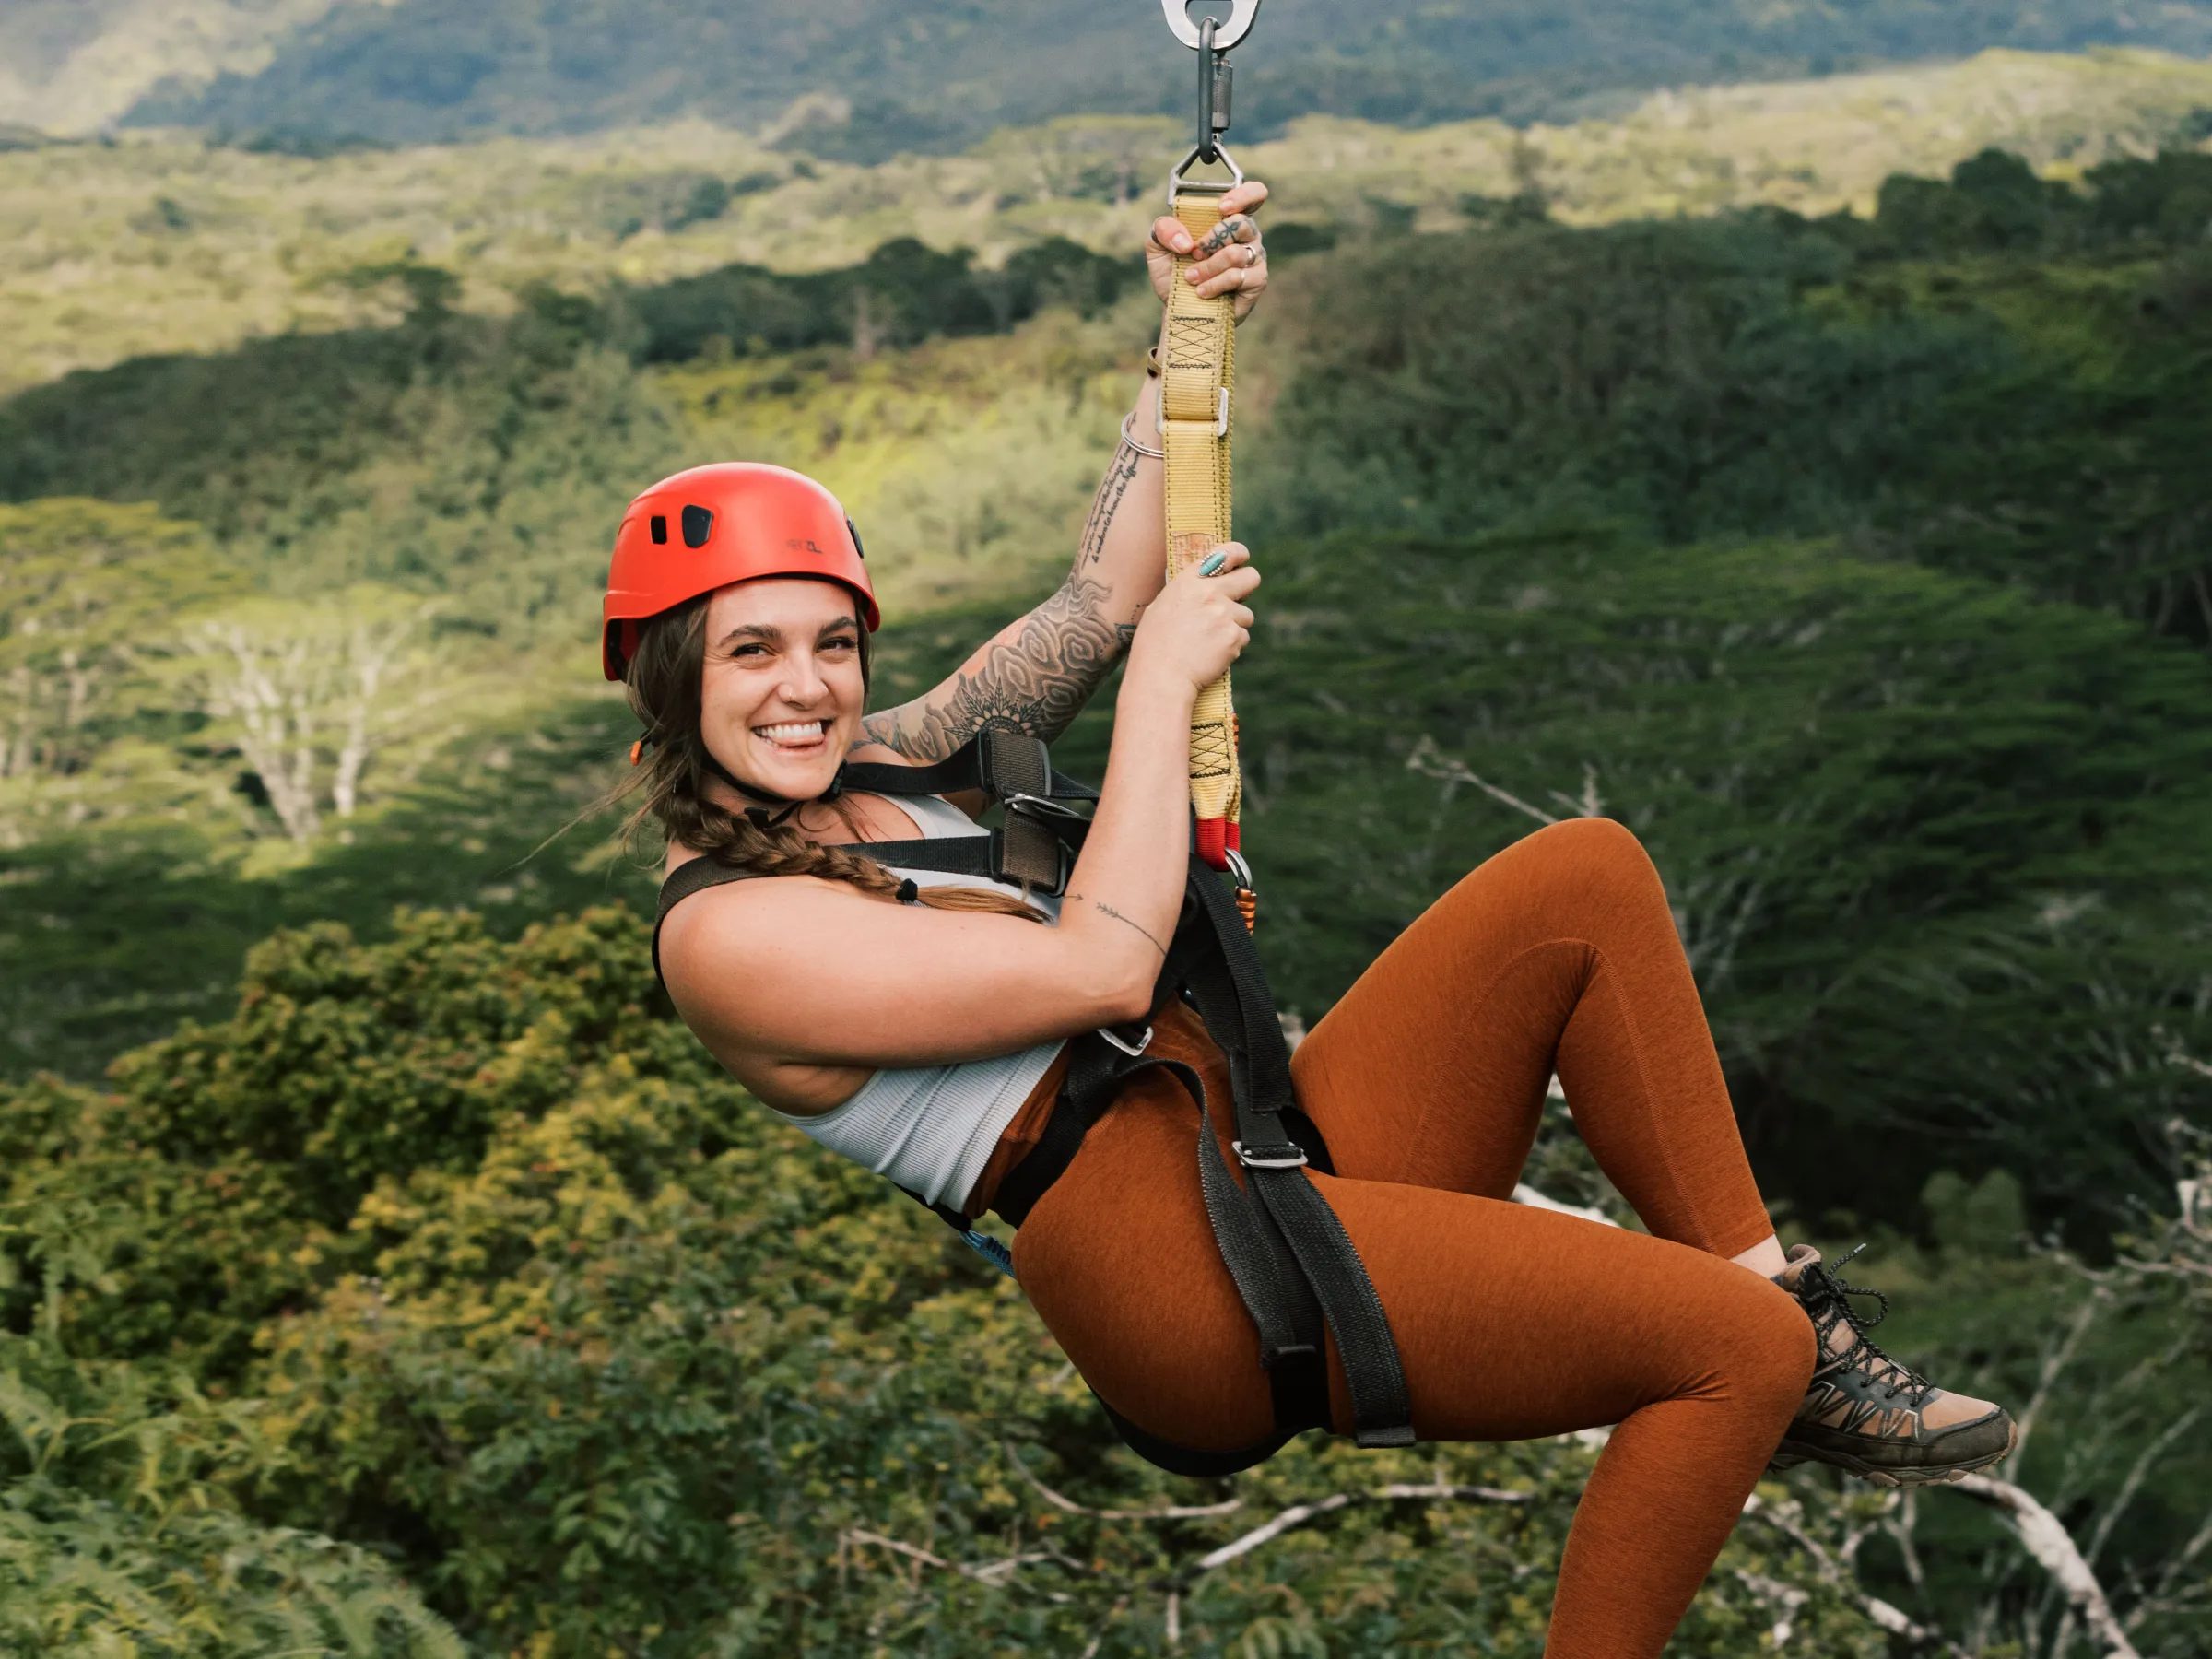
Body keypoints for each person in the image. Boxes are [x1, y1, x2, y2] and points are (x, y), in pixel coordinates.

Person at [606, 182, 2016, 1659]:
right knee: (1731, 1363)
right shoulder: (731, 937)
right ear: (669, 678)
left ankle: (1792, 1324)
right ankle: (1765, 1363)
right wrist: (1160, 691)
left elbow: (1101, 593)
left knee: (1584, 883)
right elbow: (1099, 963)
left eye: (832, 641)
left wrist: (1188, 337)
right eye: (752, 651)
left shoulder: (891, 758)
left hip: (1263, 1143)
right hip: (1171, 1270)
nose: (810, 686)